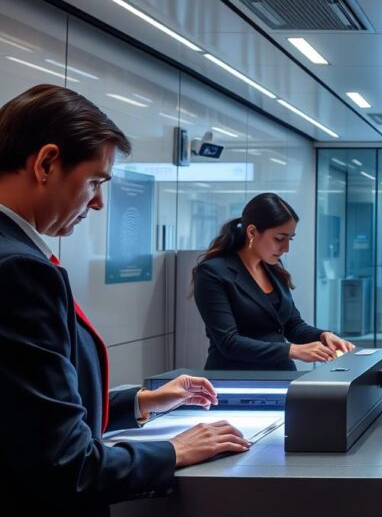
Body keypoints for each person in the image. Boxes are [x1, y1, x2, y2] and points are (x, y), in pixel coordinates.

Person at [0, 84, 249, 515]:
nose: (98, 202)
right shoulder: (19, 269)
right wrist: (174, 450)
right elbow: (64, 465)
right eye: (95, 181)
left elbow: (23, 415)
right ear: (46, 163)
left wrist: (140, 402)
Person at [193, 193, 355, 371]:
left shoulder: (273, 269)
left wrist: (323, 336)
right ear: (252, 232)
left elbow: (292, 325)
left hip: (281, 375)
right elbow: (229, 342)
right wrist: (292, 350)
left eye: (289, 239)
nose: (286, 248)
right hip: (236, 378)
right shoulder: (213, 272)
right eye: (279, 238)